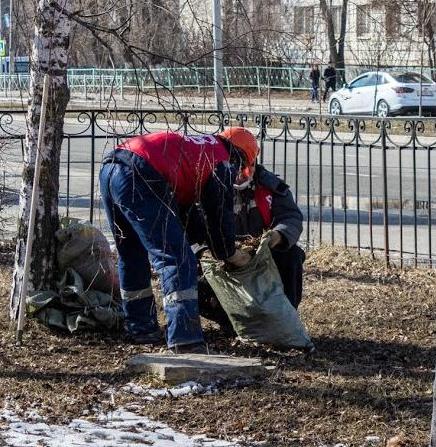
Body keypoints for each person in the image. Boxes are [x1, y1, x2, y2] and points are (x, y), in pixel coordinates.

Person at [99, 128, 257, 353]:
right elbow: (219, 214)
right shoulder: (222, 162)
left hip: (112, 168)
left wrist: (204, 244)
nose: (238, 173)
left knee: (131, 253)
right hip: (142, 174)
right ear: (241, 156)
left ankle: (141, 327)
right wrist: (228, 253)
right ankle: (185, 340)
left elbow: (185, 211)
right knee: (177, 260)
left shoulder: (200, 148)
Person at [182, 133, 306, 335]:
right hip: (218, 256)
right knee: (190, 270)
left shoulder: (270, 187)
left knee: (291, 256)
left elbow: (290, 217)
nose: (239, 174)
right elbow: (191, 229)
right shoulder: (204, 185)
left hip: (262, 256)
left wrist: (277, 236)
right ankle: (229, 321)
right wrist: (206, 251)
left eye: (244, 168)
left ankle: (284, 319)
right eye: (234, 167)